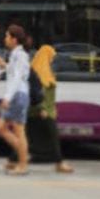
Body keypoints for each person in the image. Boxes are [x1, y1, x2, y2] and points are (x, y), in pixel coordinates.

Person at [28, 42, 73, 174]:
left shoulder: (47, 72)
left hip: (46, 112)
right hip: (42, 112)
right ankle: (59, 163)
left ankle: (14, 160)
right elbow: (36, 94)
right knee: (53, 138)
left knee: (28, 137)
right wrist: (42, 108)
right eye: (51, 57)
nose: (52, 60)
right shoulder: (38, 73)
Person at [0, 24, 31, 176]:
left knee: (18, 131)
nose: (5, 39)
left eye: (7, 36)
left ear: (14, 39)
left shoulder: (21, 55)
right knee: (1, 127)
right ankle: (22, 156)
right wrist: (3, 65)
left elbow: (18, 78)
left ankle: (23, 162)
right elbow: (14, 71)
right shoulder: (16, 54)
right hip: (17, 94)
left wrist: (7, 97)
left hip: (18, 95)